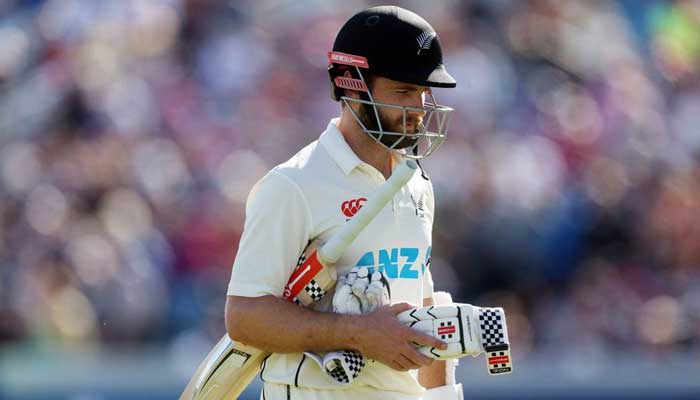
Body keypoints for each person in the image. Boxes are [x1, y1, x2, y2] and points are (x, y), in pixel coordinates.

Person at [226, 5, 459, 400]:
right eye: (403, 91)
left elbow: (420, 309)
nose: (419, 110)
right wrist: (359, 334)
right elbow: (245, 317)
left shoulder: (415, 182)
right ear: (352, 86)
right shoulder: (293, 185)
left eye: (423, 92)